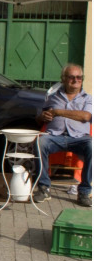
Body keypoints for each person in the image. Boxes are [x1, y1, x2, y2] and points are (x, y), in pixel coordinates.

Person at [34, 63, 91, 207]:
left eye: (79, 77)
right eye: (72, 77)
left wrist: (58, 112)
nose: (76, 80)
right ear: (63, 79)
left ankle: (84, 192)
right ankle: (44, 188)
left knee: (92, 146)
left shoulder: (88, 99)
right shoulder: (53, 97)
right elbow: (39, 118)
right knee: (40, 143)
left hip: (79, 138)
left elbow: (85, 117)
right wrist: (43, 117)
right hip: (55, 136)